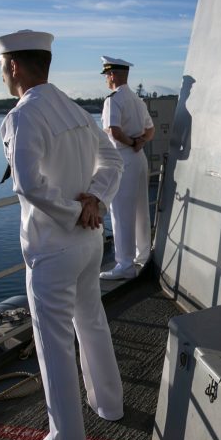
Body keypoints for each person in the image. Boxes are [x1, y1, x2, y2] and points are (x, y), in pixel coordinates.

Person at [0, 29, 125, 440]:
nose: (2, 72)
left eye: (2, 65)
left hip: (52, 248)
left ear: (13, 65)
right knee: (92, 322)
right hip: (88, 243)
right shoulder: (76, 108)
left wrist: (76, 210)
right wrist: (95, 201)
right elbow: (113, 160)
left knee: (53, 344)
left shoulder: (22, 116)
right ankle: (109, 404)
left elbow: (30, 185)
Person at [99, 56, 155, 279]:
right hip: (139, 159)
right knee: (142, 208)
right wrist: (140, 142)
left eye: (106, 75)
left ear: (112, 75)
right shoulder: (137, 100)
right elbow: (150, 129)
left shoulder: (113, 100)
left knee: (121, 212)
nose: (106, 80)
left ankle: (125, 265)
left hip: (122, 159)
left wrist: (132, 142)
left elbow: (112, 130)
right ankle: (143, 255)